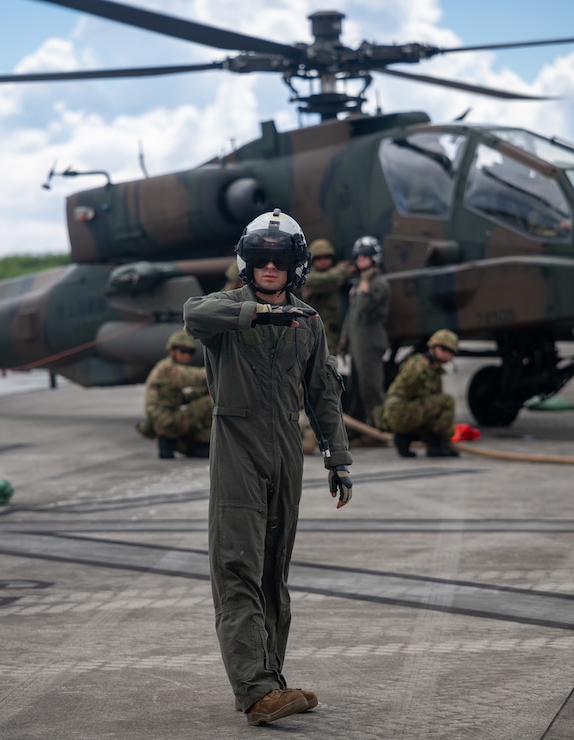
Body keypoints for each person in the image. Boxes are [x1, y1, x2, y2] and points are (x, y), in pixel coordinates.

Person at [183, 208, 353, 727]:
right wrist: (252, 316)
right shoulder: (226, 309)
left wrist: (337, 459)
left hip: (285, 454)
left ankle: (269, 681)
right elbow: (192, 315)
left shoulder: (308, 320)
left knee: (273, 571)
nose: (270, 267)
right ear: (247, 264)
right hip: (237, 451)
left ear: (295, 266)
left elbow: (323, 392)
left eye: (280, 260)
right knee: (238, 568)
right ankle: (254, 688)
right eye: (261, 259)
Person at [381, 329, 460, 458]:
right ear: (433, 347)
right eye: (444, 349)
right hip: (399, 412)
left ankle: (404, 438)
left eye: (451, 352)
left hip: (405, 412)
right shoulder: (418, 366)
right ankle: (433, 445)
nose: (448, 354)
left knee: (447, 430)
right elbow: (407, 392)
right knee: (447, 401)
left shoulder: (433, 369)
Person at [338, 235, 390, 428]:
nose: (360, 258)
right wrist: (344, 337)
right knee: (356, 388)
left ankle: (380, 427)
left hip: (370, 341)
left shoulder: (379, 284)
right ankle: (359, 428)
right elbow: (351, 315)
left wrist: (366, 288)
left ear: (374, 257)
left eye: (365, 255)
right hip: (357, 342)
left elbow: (367, 311)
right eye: (358, 255)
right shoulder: (358, 284)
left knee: (371, 388)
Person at [140, 330, 212, 459]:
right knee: (210, 402)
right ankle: (204, 442)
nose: (187, 356)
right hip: (168, 422)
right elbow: (200, 376)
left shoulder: (164, 367)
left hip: (162, 422)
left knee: (203, 397)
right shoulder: (169, 370)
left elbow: (177, 398)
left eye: (190, 352)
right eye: (183, 351)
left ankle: (182, 443)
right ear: (172, 350)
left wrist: (199, 393)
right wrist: (223, 371)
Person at [299, 238, 352, 355]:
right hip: (320, 330)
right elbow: (330, 279)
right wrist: (344, 270)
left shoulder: (332, 274)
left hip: (335, 329)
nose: (323, 261)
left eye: (327, 257)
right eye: (318, 258)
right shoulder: (310, 279)